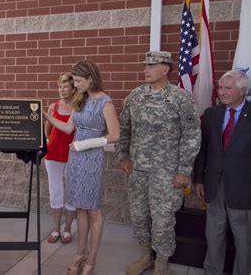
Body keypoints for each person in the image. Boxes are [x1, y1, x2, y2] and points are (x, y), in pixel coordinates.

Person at [116, 51, 201, 275]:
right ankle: (146, 255)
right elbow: (125, 129)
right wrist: (123, 155)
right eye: (145, 65)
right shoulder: (135, 96)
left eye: (152, 66)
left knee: (163, 219)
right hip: (138, 170)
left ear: (166, 69)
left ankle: (162, 261)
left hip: (167, 172)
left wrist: (184, 170)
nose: (146, 69)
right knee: (139, 215)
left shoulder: (181, 97)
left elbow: (191, 135)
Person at [43, 60, 120, 275]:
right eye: (74, 81)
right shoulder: (80, 99)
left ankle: (91, 260)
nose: (75, 85)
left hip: (92, 159)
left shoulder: (105, 102)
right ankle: (79, 254)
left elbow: (115, 134)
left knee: (93, 212)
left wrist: (85, 144)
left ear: (90, 79)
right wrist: (46, 116)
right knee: (80, 210)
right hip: (75, 158)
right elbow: (68, 128)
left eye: (78, 81)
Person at [193, 70, 251, 275]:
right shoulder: (212, 114)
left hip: (243, 188)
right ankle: (212, 271)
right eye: (221, 87)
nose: (222, 92)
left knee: (243, 237)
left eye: (228, 88)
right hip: (214, 184)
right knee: (214, 233)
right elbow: (204, 149)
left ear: (243, 91)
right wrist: (198, 178)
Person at [44, 73, 76, 244]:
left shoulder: (79, 107)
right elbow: (47, 131)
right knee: (55, 190)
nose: (62, 90)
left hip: (73, 154)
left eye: (65, 86)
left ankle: (68, 229)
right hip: (53, 153)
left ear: (73, 88)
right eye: (60, 86)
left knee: (71, 191)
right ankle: (56, 229)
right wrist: (52, 142)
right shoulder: (53, 107)